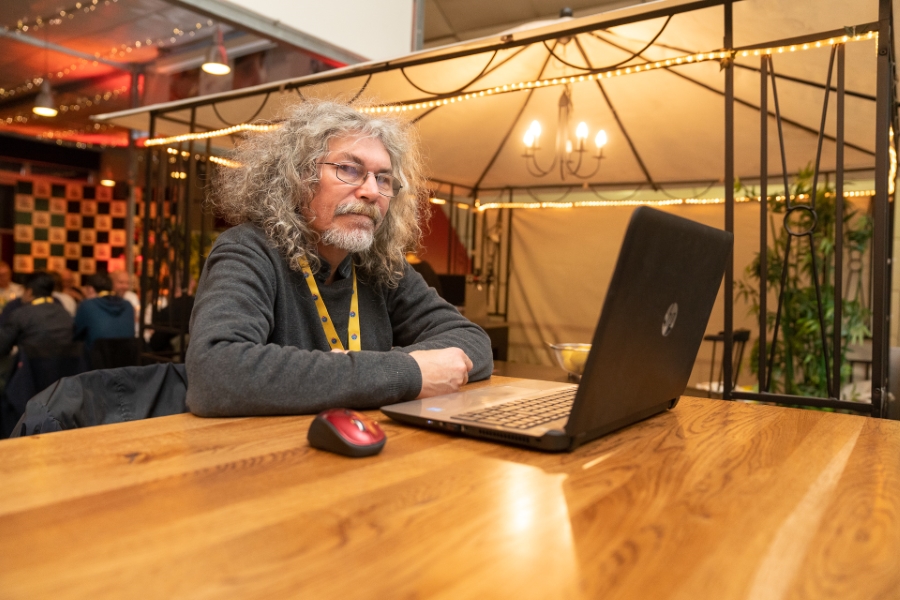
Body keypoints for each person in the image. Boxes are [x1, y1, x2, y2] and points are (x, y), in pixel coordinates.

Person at [186, 100, 493, 417]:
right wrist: (407, 371)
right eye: (349, 169)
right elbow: (216, 373)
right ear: (297, 177)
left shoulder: (380, 264)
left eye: (383, 179)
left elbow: (473, 341)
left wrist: (372, 372)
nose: (371, 191)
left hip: (366, 441)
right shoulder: (248, 249)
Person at [0, 272, 74, 357]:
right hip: (63, 362)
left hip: (30, 363)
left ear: (29, 292)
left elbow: (2, 347)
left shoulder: (21, 314)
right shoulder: (63, 312)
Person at [73, 273, 135, 352]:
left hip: (96, 357)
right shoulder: (128, 305)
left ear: (90, 289)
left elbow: (75, 335)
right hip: (126, 356)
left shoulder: (87, 305)